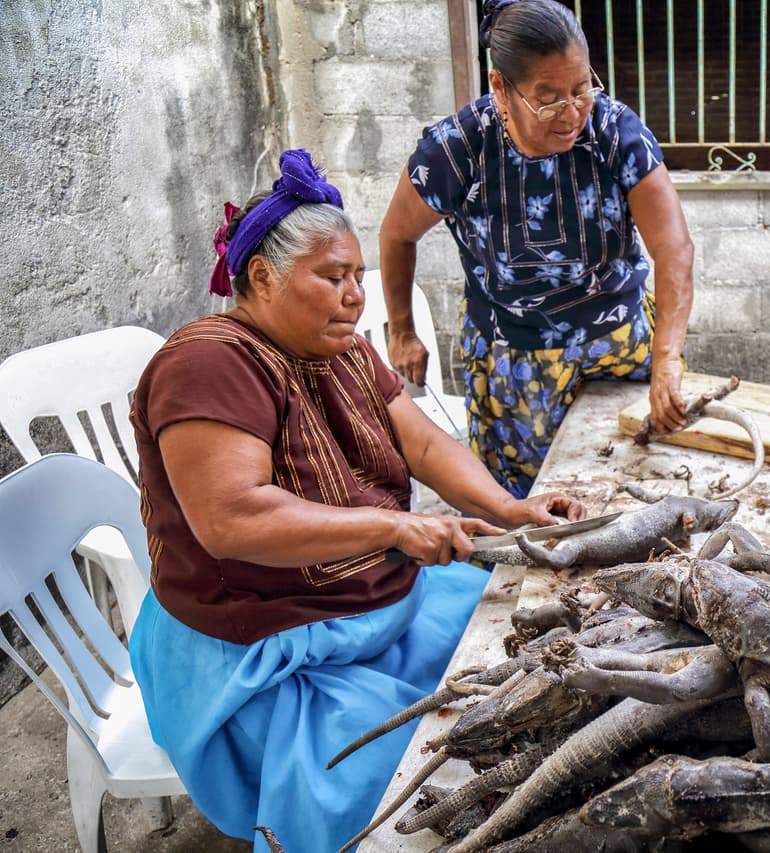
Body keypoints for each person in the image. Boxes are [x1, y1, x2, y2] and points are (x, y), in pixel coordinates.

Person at [128, 149, 584, 853]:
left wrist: (507, 506)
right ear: (262, 277)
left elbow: (421, 443)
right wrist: (393, 528)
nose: (355, 297)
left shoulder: (338, 348)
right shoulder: (208, 362)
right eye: (333, 277)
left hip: (375, 608)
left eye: (358, 278)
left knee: (528, 656)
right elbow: (230, 518)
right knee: (412, 783)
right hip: (266, 646)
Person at [379, 0, 694, 499]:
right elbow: (397, 235)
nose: (571, 113)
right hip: (513, 368)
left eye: (581, 89)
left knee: (636, 491)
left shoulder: (614, 132)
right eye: (548, 99)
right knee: (530, 510)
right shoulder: (458, 149)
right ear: (500, 86)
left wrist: (668, 357)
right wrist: (401, 331)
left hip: (620, 348)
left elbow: (673, 247)